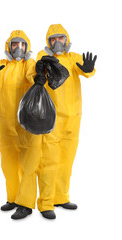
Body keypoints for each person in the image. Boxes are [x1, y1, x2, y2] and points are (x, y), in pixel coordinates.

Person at [35, 24, 97, 211]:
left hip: (73, 118)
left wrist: (89, 69)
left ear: (66, 39)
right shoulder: (43, 57)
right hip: (52, 119)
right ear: (48, 42)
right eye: (52, 40)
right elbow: (35, 70)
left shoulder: (72, 58)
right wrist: (39, 70)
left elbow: (86, 71)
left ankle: (61, 197)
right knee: (49, 161)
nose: (57, 42)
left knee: (66, 161)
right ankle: (46, 203)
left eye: (60, 38)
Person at [0, 30, 35, 211]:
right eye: (14, 44)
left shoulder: (28, 64)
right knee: (8, 164)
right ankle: (13, 199)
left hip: (24, 122)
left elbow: (32, 76)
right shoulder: (2, 65)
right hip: (5, 123)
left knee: (26, 164)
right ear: (8, 46)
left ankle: (26, 204)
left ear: (27, 47)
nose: (18, 48)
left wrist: (37, 75)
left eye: (22, 45)